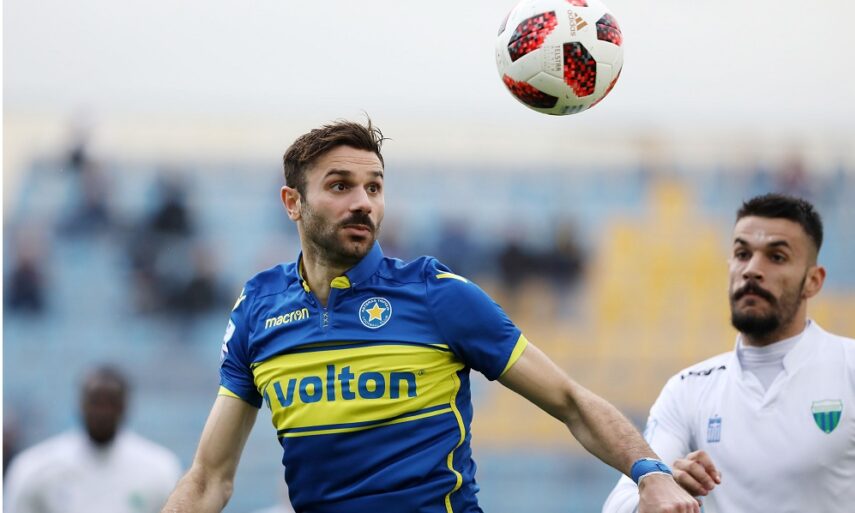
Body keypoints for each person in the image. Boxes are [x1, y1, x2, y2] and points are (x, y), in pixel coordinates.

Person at [161, 118, 697, 513]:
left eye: (374, 187)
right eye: (340, 185)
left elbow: (570, 401)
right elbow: (208, 480)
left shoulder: (437, 295)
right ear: (292, 202)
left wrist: (651, 473)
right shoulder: (259, 308)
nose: (363, 202)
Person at [602, 193, 855, 513]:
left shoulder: (848, 368)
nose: (752, 270)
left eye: (776, 257)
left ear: (813, 281)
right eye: (742, 254)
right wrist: (659, 488)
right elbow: (619, 504)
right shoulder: (688, 389)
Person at [4, 365, 183, 513]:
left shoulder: (160, 469)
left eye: (111, 403)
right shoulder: (35, 467)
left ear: (124, 407)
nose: (103, 412)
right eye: (96, 402)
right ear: (81, 404)